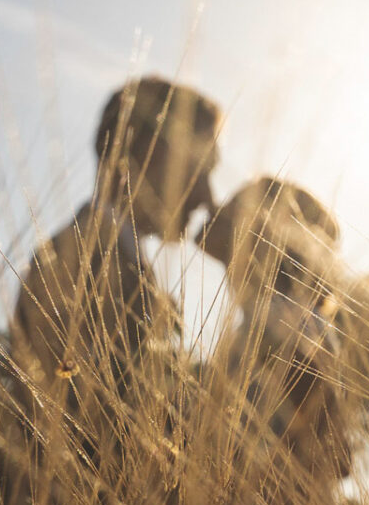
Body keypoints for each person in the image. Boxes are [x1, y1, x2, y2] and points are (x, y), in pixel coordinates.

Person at [11, 76, 221, 452]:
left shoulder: (120, 260)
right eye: (199, 168)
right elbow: (87, 435)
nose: (209, 196)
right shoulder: (75, 261)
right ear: (147, 153)